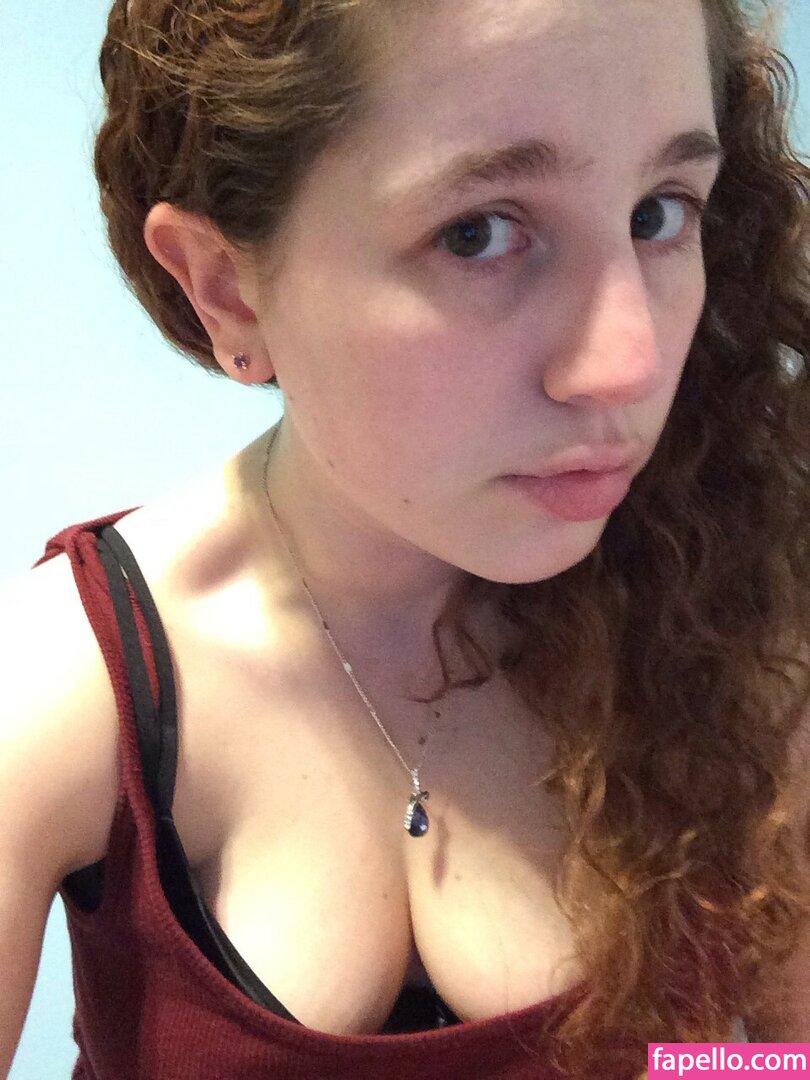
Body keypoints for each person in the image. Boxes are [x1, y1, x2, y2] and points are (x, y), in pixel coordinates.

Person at [1, 0, 809, 1076]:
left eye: (660, 212)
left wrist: (692, 1068)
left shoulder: (738, 622)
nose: (627, 364)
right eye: (478, 233)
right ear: (227, 289)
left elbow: (784, 1059)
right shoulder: (66, 685)